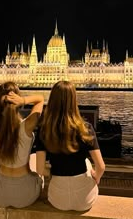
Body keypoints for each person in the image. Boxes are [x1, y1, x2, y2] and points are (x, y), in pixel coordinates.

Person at [35, 80, 105, 211]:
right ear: (74, 100)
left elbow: (39, 169)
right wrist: (95, 177)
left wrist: (56, 173)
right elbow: (101, 166)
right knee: (88, 163)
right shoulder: (86, 128)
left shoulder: (44, 130)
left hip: (57, 200)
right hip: (85, 200)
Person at [0, 81, 44, 208]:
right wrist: (24, 100)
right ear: (17, 102)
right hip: (24, 194)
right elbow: (40, 99)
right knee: (37, 169)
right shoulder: (27, 126)